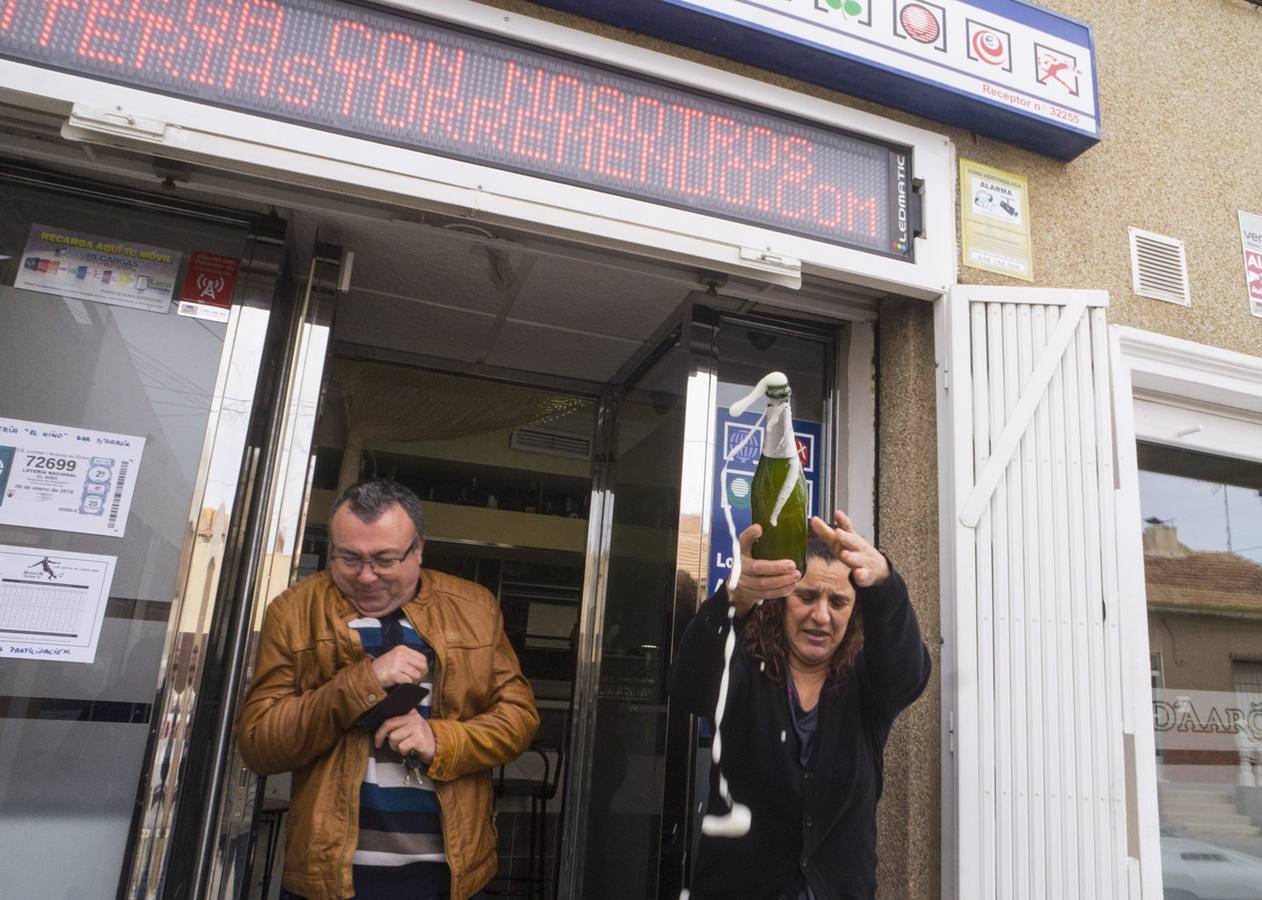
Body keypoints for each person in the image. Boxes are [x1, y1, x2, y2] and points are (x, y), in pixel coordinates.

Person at [236, 479, 539, 900]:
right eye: (348, 558)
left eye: (385, 559)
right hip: (330, 879)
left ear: (418, 550)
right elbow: (258, 745)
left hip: (449, 878)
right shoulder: (293, 612)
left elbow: (519, 720)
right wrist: (361, 683)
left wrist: (440, 740)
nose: (366, 577)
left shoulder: (474, 608)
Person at [668, 512, 931, 900]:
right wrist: (731, 600)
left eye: (838, 602)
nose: (821, 616)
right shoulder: (744, 664)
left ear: (854, 611)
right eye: (807, 597)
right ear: (781, 600)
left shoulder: (866, 685)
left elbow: (909, 675)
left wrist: (886, 584)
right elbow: (689, 688)